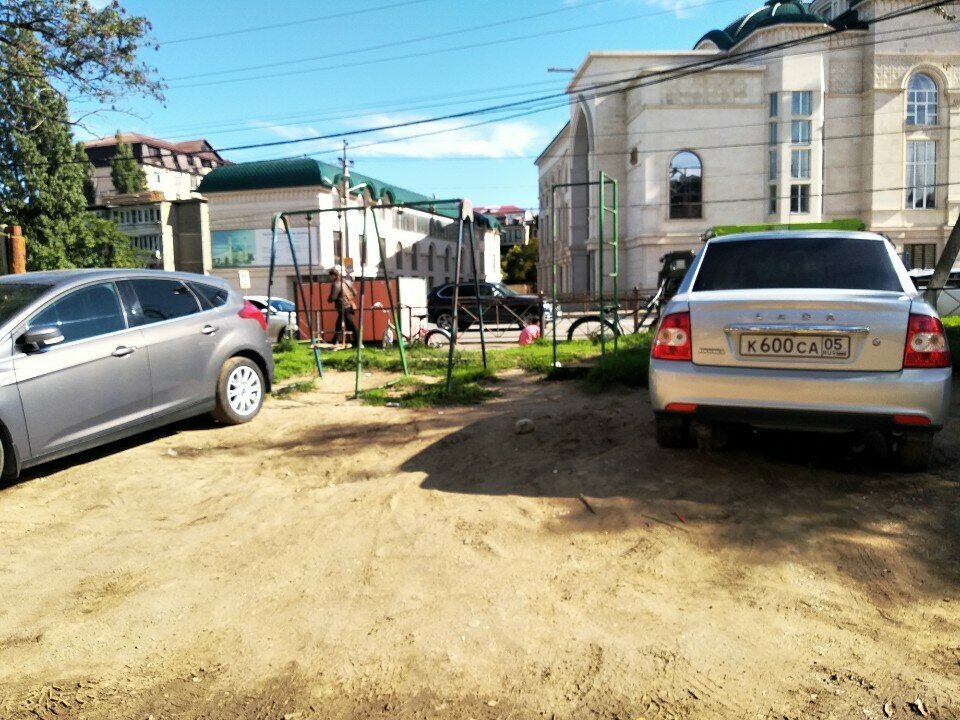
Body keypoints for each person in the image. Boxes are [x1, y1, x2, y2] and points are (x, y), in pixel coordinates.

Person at [327, 266, 359, 348]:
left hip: (342, 307)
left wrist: (329, 299)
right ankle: (334, 342)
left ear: (333, 275)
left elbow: (332, 298)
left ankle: (358, 342)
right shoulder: (347, 281)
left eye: (330, 276)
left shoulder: (336, 284)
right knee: (339, 325)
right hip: (349, 305)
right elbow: (355, 292)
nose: (330, 278)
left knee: (350, 325)